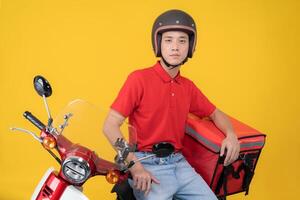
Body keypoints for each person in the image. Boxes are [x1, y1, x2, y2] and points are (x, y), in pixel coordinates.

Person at [103, 9, 240, 200]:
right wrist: (135, 166)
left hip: (179, 163)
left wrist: (231, 135)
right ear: (158, 44)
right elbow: (110, 125)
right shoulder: (139, 79)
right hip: (146, 162)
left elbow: (216, 113)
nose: (175, 47)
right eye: (168, 40)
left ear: (190, 47)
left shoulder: (188, 87)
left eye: (182, 41)